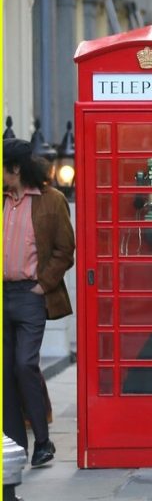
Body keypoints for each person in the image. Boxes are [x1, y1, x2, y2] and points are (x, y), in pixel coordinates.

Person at [3, 137, 75, 466]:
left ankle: (43, 442)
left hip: (31, 295)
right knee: (5, 373)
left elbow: (64, 250)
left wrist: (42, 285)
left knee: (24, 365)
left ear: (15, 169)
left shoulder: (51, 200)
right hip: (3, 294)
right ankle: (17, 446)